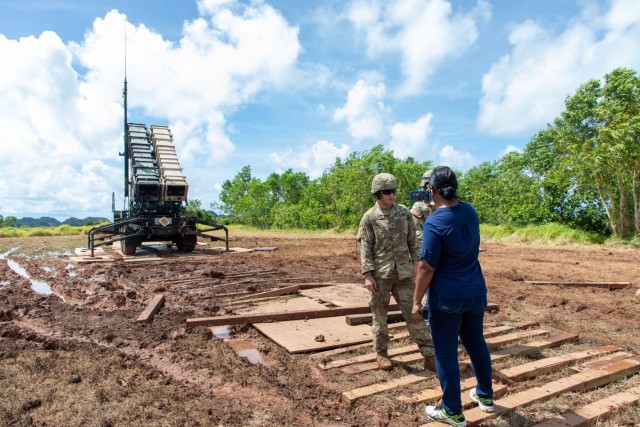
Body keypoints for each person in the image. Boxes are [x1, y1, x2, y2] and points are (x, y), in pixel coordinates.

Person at [411, 166, 494, 427]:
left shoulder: (435, 221)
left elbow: (427, 266)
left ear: (432, 190)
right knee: (476, 343)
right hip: (474, 292)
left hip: (447, 298)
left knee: (446, 353)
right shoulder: (469, 211)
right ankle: (485, 396)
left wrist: (416, 300)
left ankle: (452, 410)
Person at [360, 173, 433, 371]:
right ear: (377, 193)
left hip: (404, 274)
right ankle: (381, 353)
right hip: (380, 276)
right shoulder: (369, 217)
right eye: (387, 192)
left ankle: (429, 355)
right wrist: (367, 275)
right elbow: (365, 247)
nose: (392, 195)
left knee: (415, 314)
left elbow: (413, 240)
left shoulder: (404, 213)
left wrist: (417, 264)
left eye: (393, 191)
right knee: (380, 317)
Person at [410, 169, 435, 248]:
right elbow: (417, 232)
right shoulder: (418, 206)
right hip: (429, 248)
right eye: (427, 186)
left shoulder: (446, 203)